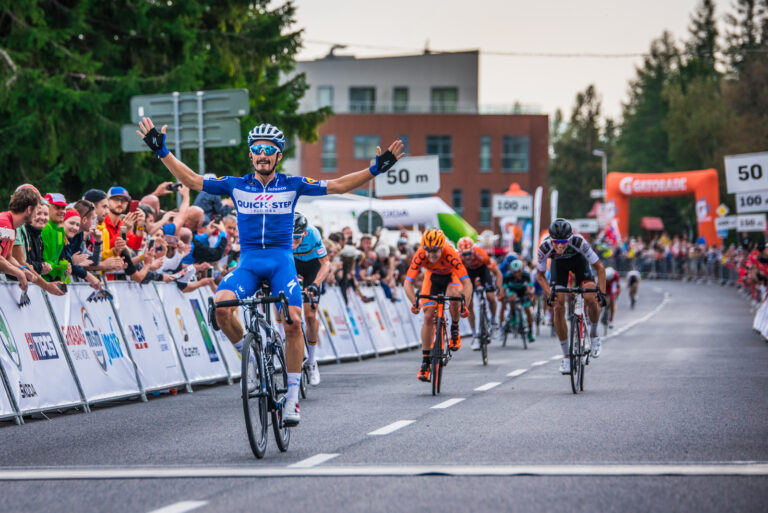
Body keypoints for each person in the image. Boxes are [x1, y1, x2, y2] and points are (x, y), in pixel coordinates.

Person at [137, 116, 403, 426]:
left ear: (278, 155)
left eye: (270, 149)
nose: (263, 154)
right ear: (251, 154)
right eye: (258, 149)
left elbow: (339, 185)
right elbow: (194, 180)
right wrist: (161, 151)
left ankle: (292, 399)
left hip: (281, 261)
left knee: (292, 322)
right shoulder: (235, 185)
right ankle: (249, 362)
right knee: (221, 307)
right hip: (249, 262)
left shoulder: (293, 185)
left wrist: (375, 169)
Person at [535, 219, 606, 374]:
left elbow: (600, 268)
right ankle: (566, 356)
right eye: (556, 242)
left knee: (590, 297)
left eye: (563, 241)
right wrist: (550, 293)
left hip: (579, 264)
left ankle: (594, 334)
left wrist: (601, 292)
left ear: (569, 238)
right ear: (551, 239)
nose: (560, 245)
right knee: (558, 306)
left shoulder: (579, 241)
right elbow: (540, 276)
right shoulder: (544, 247)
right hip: (559, 267)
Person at [403, 229, 472, 382]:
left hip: (451, 276)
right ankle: (425, 363)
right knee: (428, 317)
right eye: (428, 250)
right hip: (432, 278)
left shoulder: (451, 253)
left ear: (442, 247)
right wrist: (414, 302)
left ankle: (454, 328)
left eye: (435, 250)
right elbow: (408, 282)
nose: (431, 254)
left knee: (454, 294)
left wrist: (464, 305)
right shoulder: (421, 254)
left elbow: (467, 282)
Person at [292, 212, 331, 387]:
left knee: (309, 316)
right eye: (290, 237)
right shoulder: (280, 232)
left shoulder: (313, 233)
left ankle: (312, 361)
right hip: (291, 263)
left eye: (297, 237)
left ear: (304, 233)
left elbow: (326, 264)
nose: (293, 241)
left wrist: (315, 284)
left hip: (311, 267)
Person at [456, 237, 503, 349]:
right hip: (468, 273)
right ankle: (475, 334)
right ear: (460, 253)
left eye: (469, 253)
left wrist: (499, 287)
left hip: (482, 270)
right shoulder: (457, 258)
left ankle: (493, 321)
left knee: (491, 297)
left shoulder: (481, 254)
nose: (467, 257)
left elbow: (498, 273)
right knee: (468, 303)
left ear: (473, 251)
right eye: (464, 254)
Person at [502, 259, 536, 344]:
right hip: (513, 292)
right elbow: (503, 289)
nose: (517, 274)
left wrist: (531, 293)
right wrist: (503, 297)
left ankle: (530, 331)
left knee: (528, 309)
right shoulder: (508, 276)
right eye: (514, 272)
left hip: (523, 292)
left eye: (518, 271)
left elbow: (531, 287)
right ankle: (513, 314)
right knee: (512, 297)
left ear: (522, 270)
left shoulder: (526, 275)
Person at [41, 193, 71, 282]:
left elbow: (56, 260)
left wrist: (65, 267)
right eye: (57, 207)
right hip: (41, 282)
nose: (62, 211)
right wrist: (58, 269)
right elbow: (43, 259)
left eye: (64, 208)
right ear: (47, 207)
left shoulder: (60, 230)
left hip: (49, 281)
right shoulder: (45, 227)